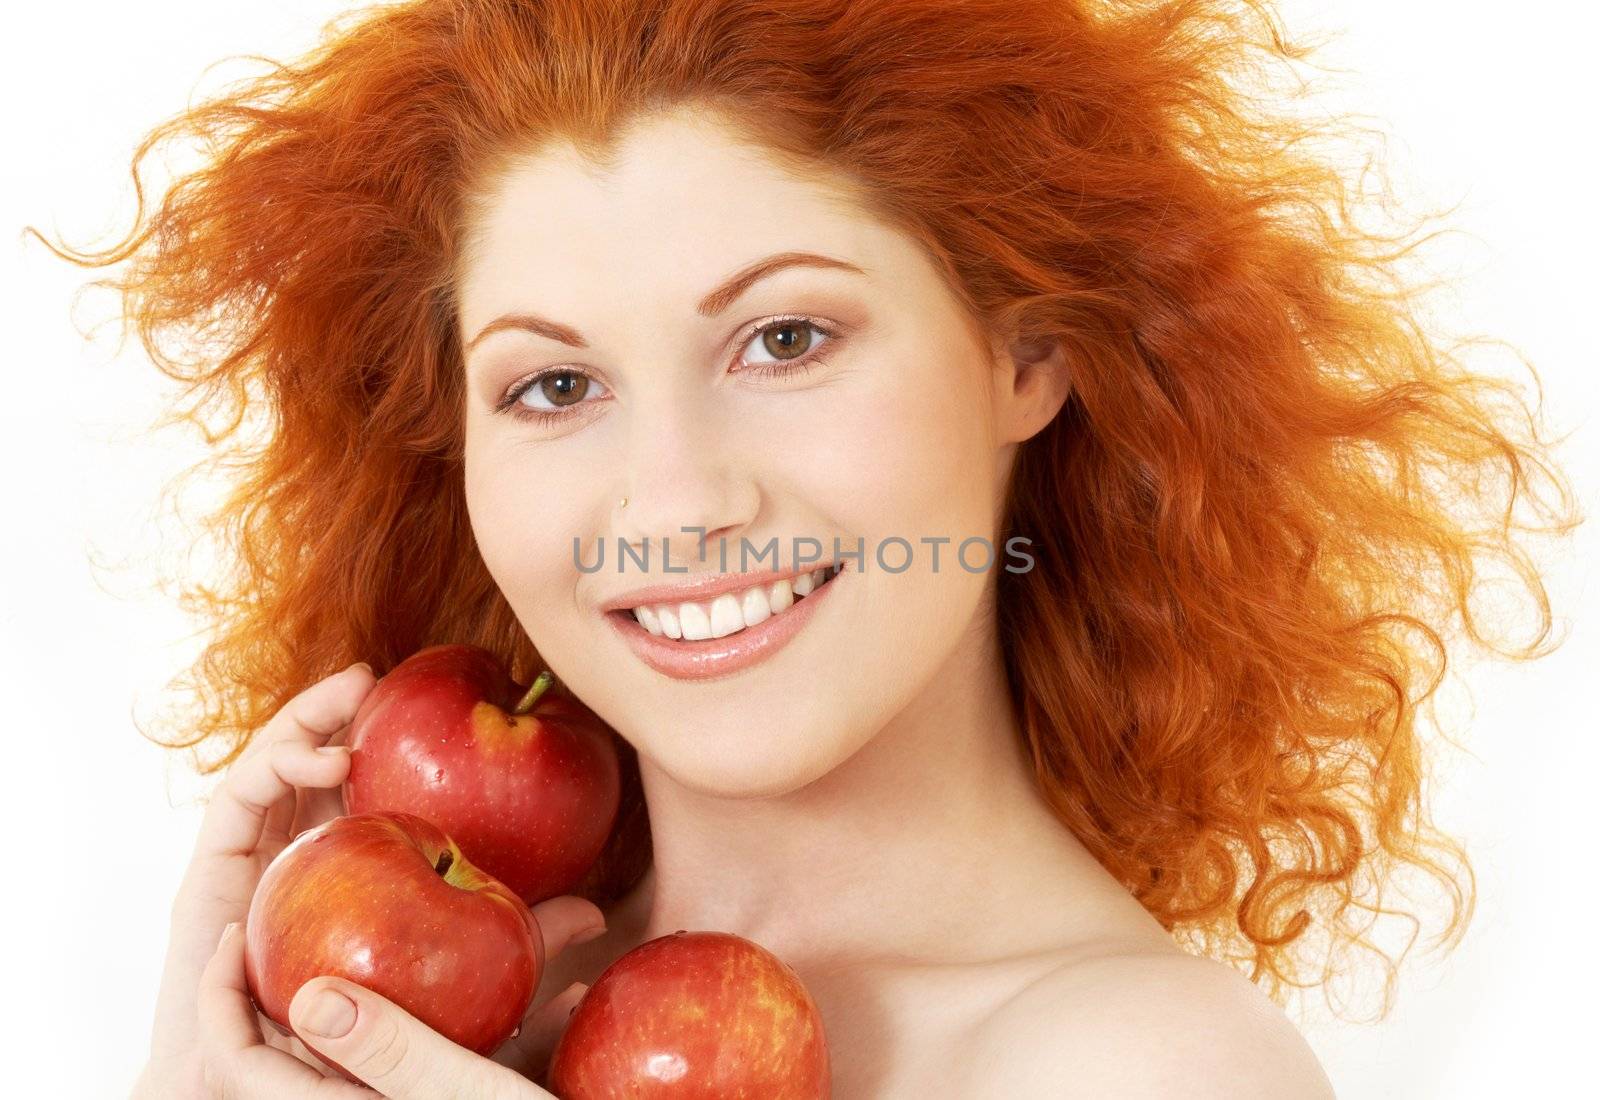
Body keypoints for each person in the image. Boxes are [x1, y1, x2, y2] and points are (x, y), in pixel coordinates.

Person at [38, 0, 1577, 1096]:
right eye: (554, 384)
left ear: (1025, 358)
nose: (675, 501)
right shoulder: (398, 1035)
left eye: (785, 338)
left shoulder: (1134, 1068)